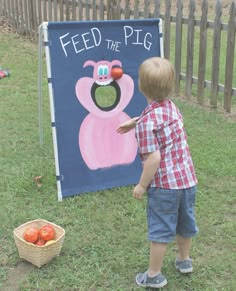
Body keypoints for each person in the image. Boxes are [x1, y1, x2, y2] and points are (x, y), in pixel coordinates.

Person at [116, 57, 198, 289]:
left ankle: (153, 275)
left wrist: (142, 185)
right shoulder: (172, 107)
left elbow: (153, 158)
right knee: (185, 222)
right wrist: (135, 121)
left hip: (164, 187)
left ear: (141, 87)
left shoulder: (147, 123)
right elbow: (155, 118)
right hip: (187, 181)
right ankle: (184, 260)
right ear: (170, 87)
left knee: (160, 229)